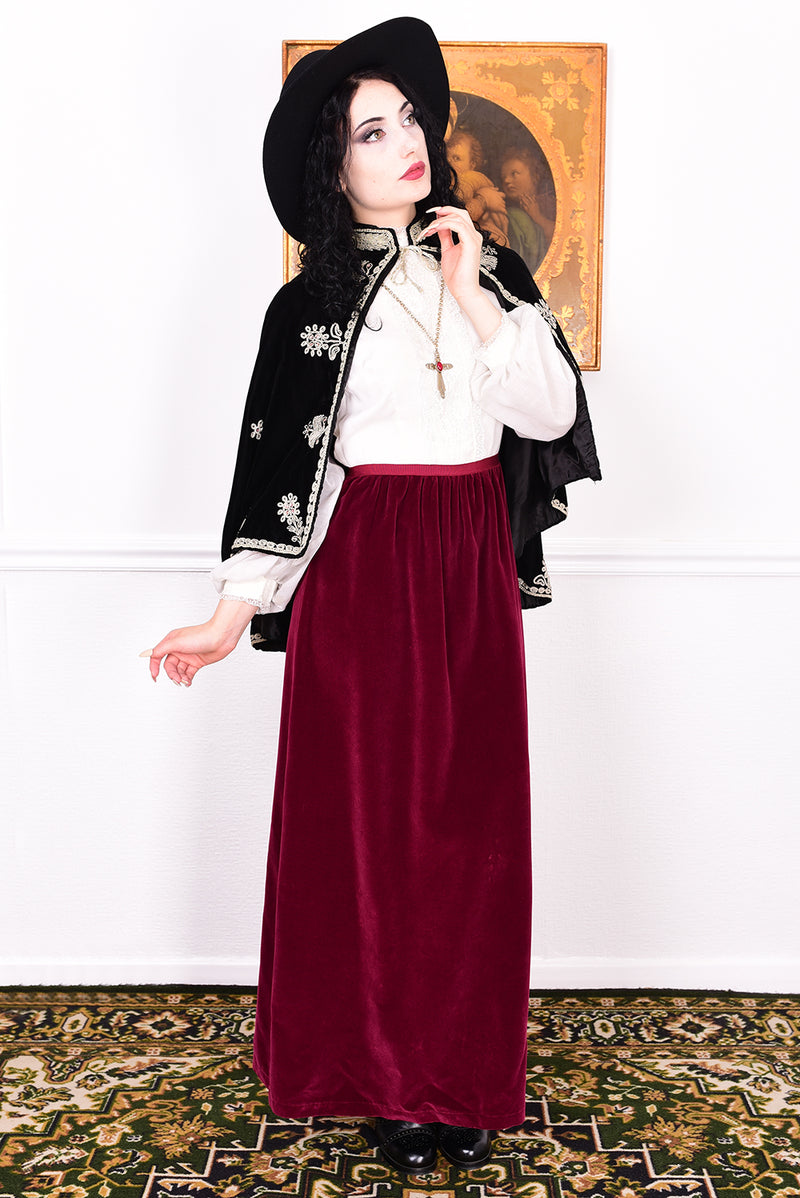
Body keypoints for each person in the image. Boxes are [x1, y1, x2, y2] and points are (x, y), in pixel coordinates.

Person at [142, 17, 600, 1178]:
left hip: (466, 570)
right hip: (366, 568)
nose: (404, 144)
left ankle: (461, 1071)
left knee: (471, 835)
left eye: (409, 121)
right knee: (375, 835)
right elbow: (276, 465)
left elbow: (547, 415)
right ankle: (388, 1078)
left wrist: (474, 293)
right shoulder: (306, 309)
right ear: (331, 164)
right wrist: (230, 609)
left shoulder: (488, 268)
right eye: (369, 130)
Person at [445, 128, 510, 247]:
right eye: (446, 157)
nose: (448, 163)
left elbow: (457, 214)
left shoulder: (471, 178)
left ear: (472, 164)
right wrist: (484, 199)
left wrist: (482, 200)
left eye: (456, 158)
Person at [501, 145, 556, 275]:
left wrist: (537, 217)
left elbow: (559, 237)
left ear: (534, 176)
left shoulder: (548, 203)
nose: (507, 180)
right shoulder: (509, 211)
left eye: (514, 174)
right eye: (503, 178)